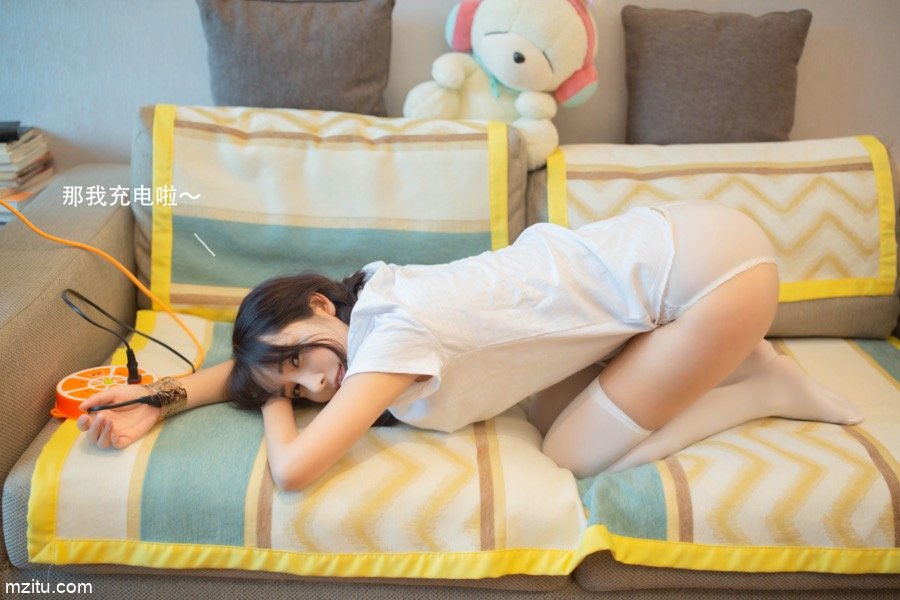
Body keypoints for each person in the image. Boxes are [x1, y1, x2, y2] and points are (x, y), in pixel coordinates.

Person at [76, 202, 863, 489]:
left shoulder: (389, 335)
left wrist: (271, 407)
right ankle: (742, 359)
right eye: (297, 389)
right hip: (686, 239)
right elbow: (249, 366)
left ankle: (766, 388)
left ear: (319, 305)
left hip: (717, 278)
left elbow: (293, 472)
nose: (313, 387)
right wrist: (154, 397)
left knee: (570, 454)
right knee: (557, 408)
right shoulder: (375, 291)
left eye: (297, 364)